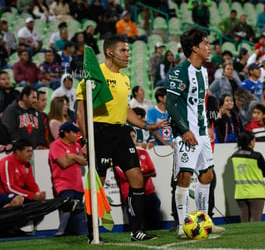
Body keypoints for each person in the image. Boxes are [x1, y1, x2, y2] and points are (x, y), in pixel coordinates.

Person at [76, 34, 164, 243]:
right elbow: (81, 109)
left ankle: (137, 231)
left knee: (137, 178)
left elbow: (125, 110)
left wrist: (147, 126)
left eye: (128, 51)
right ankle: (93, 234)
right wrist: (85, 140)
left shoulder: (125, 78)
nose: (128, 55)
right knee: (99, 184)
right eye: (124, 51)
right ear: (110, 52)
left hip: (121, 133)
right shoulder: (94, 74)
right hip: (99, 132)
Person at [165, 28, 225, 238]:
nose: (209, 47)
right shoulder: (179, 72)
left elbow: (202, 102)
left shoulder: (203, 71)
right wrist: (184, 130)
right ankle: (182, 225)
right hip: (186, 134)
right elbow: (170, 104)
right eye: (205, 44)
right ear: (194, 48)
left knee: (207, 175)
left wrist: (208, 126)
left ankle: (202, 221)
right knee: (184, 177)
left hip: (201, 133)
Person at [48, 121, 88, 236]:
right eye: (74, 132)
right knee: (68, 208)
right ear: (66, 133)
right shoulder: (56, 145)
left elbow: (85, 162)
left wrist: (73, 156)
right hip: (63, 184)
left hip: (78, 185)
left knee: (77, 215)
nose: (77, 135)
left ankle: (71, 232)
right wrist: (77, 157)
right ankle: (60, 231)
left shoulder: (76, 145)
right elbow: (64, 163)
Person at [231, 131, 265, 222]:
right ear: (251, 142)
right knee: (255, 223)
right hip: (256, 193)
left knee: (244, 223)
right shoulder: (257, 156)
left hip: (240, 194)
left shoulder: (234, 156)